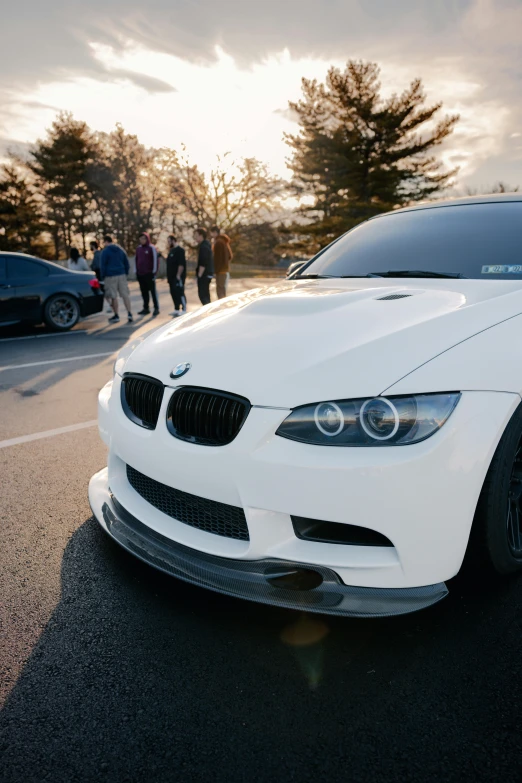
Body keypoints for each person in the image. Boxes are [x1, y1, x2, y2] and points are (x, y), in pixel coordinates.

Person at [100, 235, 133, 324]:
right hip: (121, 274)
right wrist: (125, 272)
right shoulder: (120, 250)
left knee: (113, 296)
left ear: (106, 241)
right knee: (125, 294)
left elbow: (103, 265)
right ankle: (129, 313)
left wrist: (102, 276)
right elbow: (126, 263)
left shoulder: (105, 251)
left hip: (110, 276)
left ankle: (116, 315)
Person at [135, 232, 159, 316]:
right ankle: (146, 308)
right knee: (144, 292)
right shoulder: (138, 249)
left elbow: (156, 261)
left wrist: (154, 272)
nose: (142, 240)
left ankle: (156, 308)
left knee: (152, 292)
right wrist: (136, 271)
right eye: (140, 239)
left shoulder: (151, 248)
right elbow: (136, 260)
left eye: (143, 238)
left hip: (149, 274)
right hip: (141, 274)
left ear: (147, 239)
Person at [166, 235, 187, 316]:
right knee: (173, 292)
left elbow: (181, 264)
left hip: (177, 277)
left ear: (173, 240)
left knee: (180, 292)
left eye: (169, 241)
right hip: (171, 277)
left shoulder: (180, 250)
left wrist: (178, 275)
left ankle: (184, 308)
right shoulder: (171, 251)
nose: (168, 243)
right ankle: (176, 308)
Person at [210, 226, 232, 299]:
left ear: (215, 232)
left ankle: (222, 307)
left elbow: (217, 258)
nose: (211, 235)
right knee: (222, 288)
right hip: (224, 269)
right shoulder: (224, 241)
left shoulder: (218, 242)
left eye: (212, 233)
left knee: (220, 289)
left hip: (220, 270)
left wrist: (216, 270)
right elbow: (230, 256)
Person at [194, 228, 214, 306]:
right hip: (207, 273)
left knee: (203, 295)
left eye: (196, 235)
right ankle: (208, 311)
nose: (195, 237)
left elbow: (203, 262)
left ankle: (209, 313)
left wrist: (199, 275)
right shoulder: (206, 245)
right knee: (205, 294)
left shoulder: (204, 246)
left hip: (204, 274)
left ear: (201, 235)